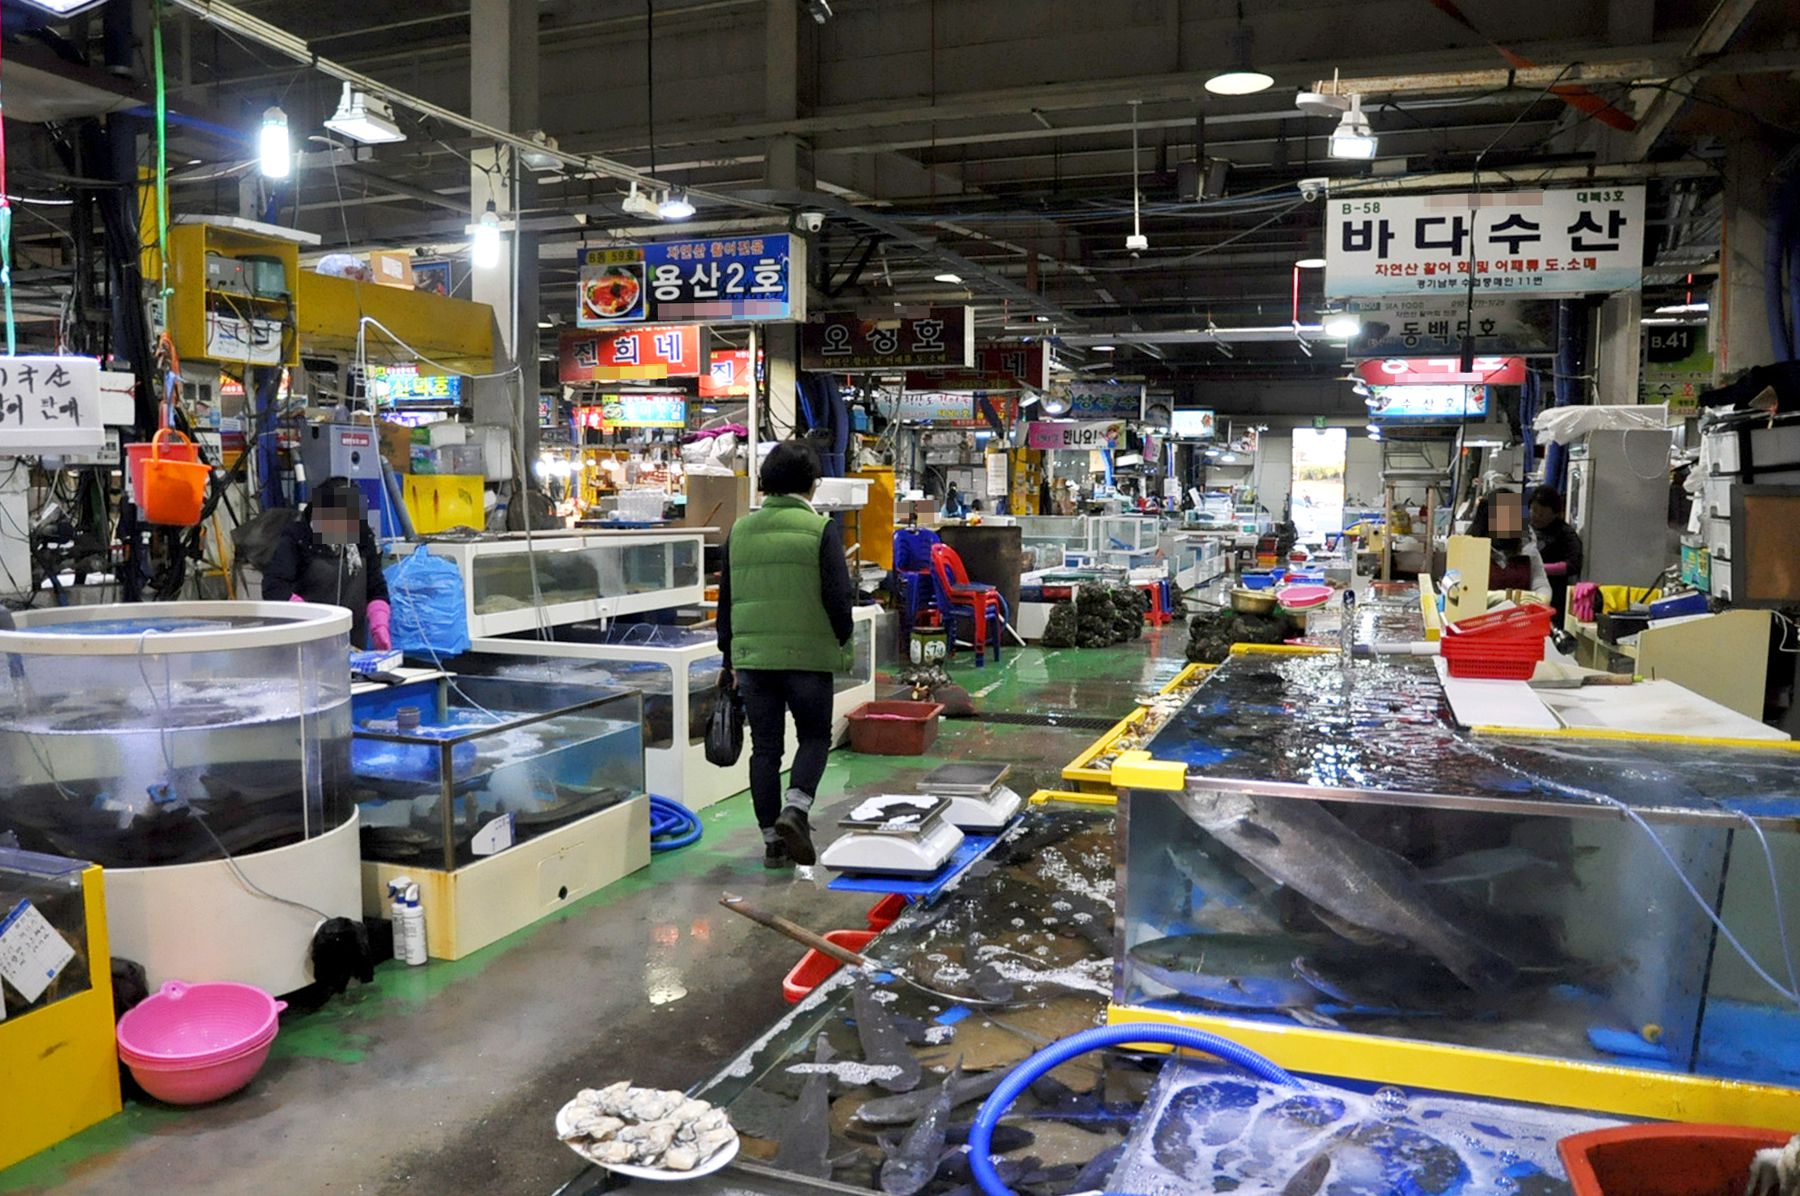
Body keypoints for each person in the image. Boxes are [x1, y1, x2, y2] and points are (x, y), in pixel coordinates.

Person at [715, 442, 854, 869]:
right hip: (808, 659)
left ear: (765, 483)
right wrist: (842, 638)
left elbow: (726, 601)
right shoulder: (820, 529)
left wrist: (728, 659)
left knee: (766, 749)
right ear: (812, 485)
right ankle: (795, 808)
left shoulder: (739, 531)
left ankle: (772, 842)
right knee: (814, 736)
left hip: (754, 661)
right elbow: (838, 597)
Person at [263, 476, 391, 650]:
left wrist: (379, 626)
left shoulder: (362, 537)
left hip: (352, 643)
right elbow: (275, 587)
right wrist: (314, 622)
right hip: (304, 646)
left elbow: (376, 589)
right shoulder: (298, 537)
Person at [1467, 488, 1549, 598]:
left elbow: (1540, 583)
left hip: (1523, 608)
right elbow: (1463, 590)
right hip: (1482, 608)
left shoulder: (1527, 548)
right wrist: (1502, 597)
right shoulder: (1469, 549)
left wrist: (1541, 598)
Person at [1528, 485, 1583, 619]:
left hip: (1554, 596)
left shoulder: (1565, 533)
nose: (1537, 516)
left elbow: (1573, 565)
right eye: (1534, 510)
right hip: (1526, 593)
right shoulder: (1523, 529)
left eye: (1543, 513)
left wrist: (1540, 569)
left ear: (1554, 513)